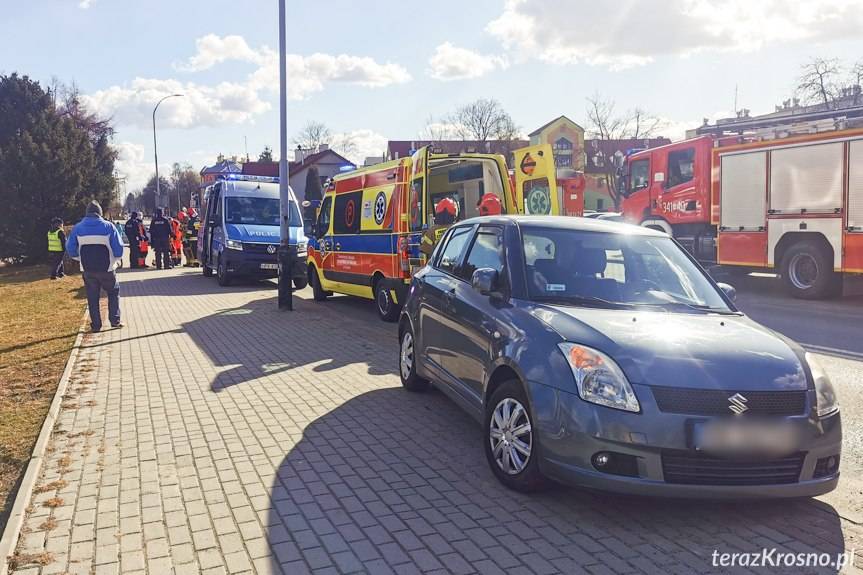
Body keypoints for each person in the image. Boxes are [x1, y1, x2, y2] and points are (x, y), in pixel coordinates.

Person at [66, 201, 124, 332]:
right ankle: (115, 321)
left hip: (88, 269)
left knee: (92, 297)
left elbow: (70, 248)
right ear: (100, 213)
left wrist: (79, 258)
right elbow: (119, 250)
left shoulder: (78, 228)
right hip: (107, 269)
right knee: (113, 292)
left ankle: (96, 326)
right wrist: (115, 260)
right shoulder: (109, 227)